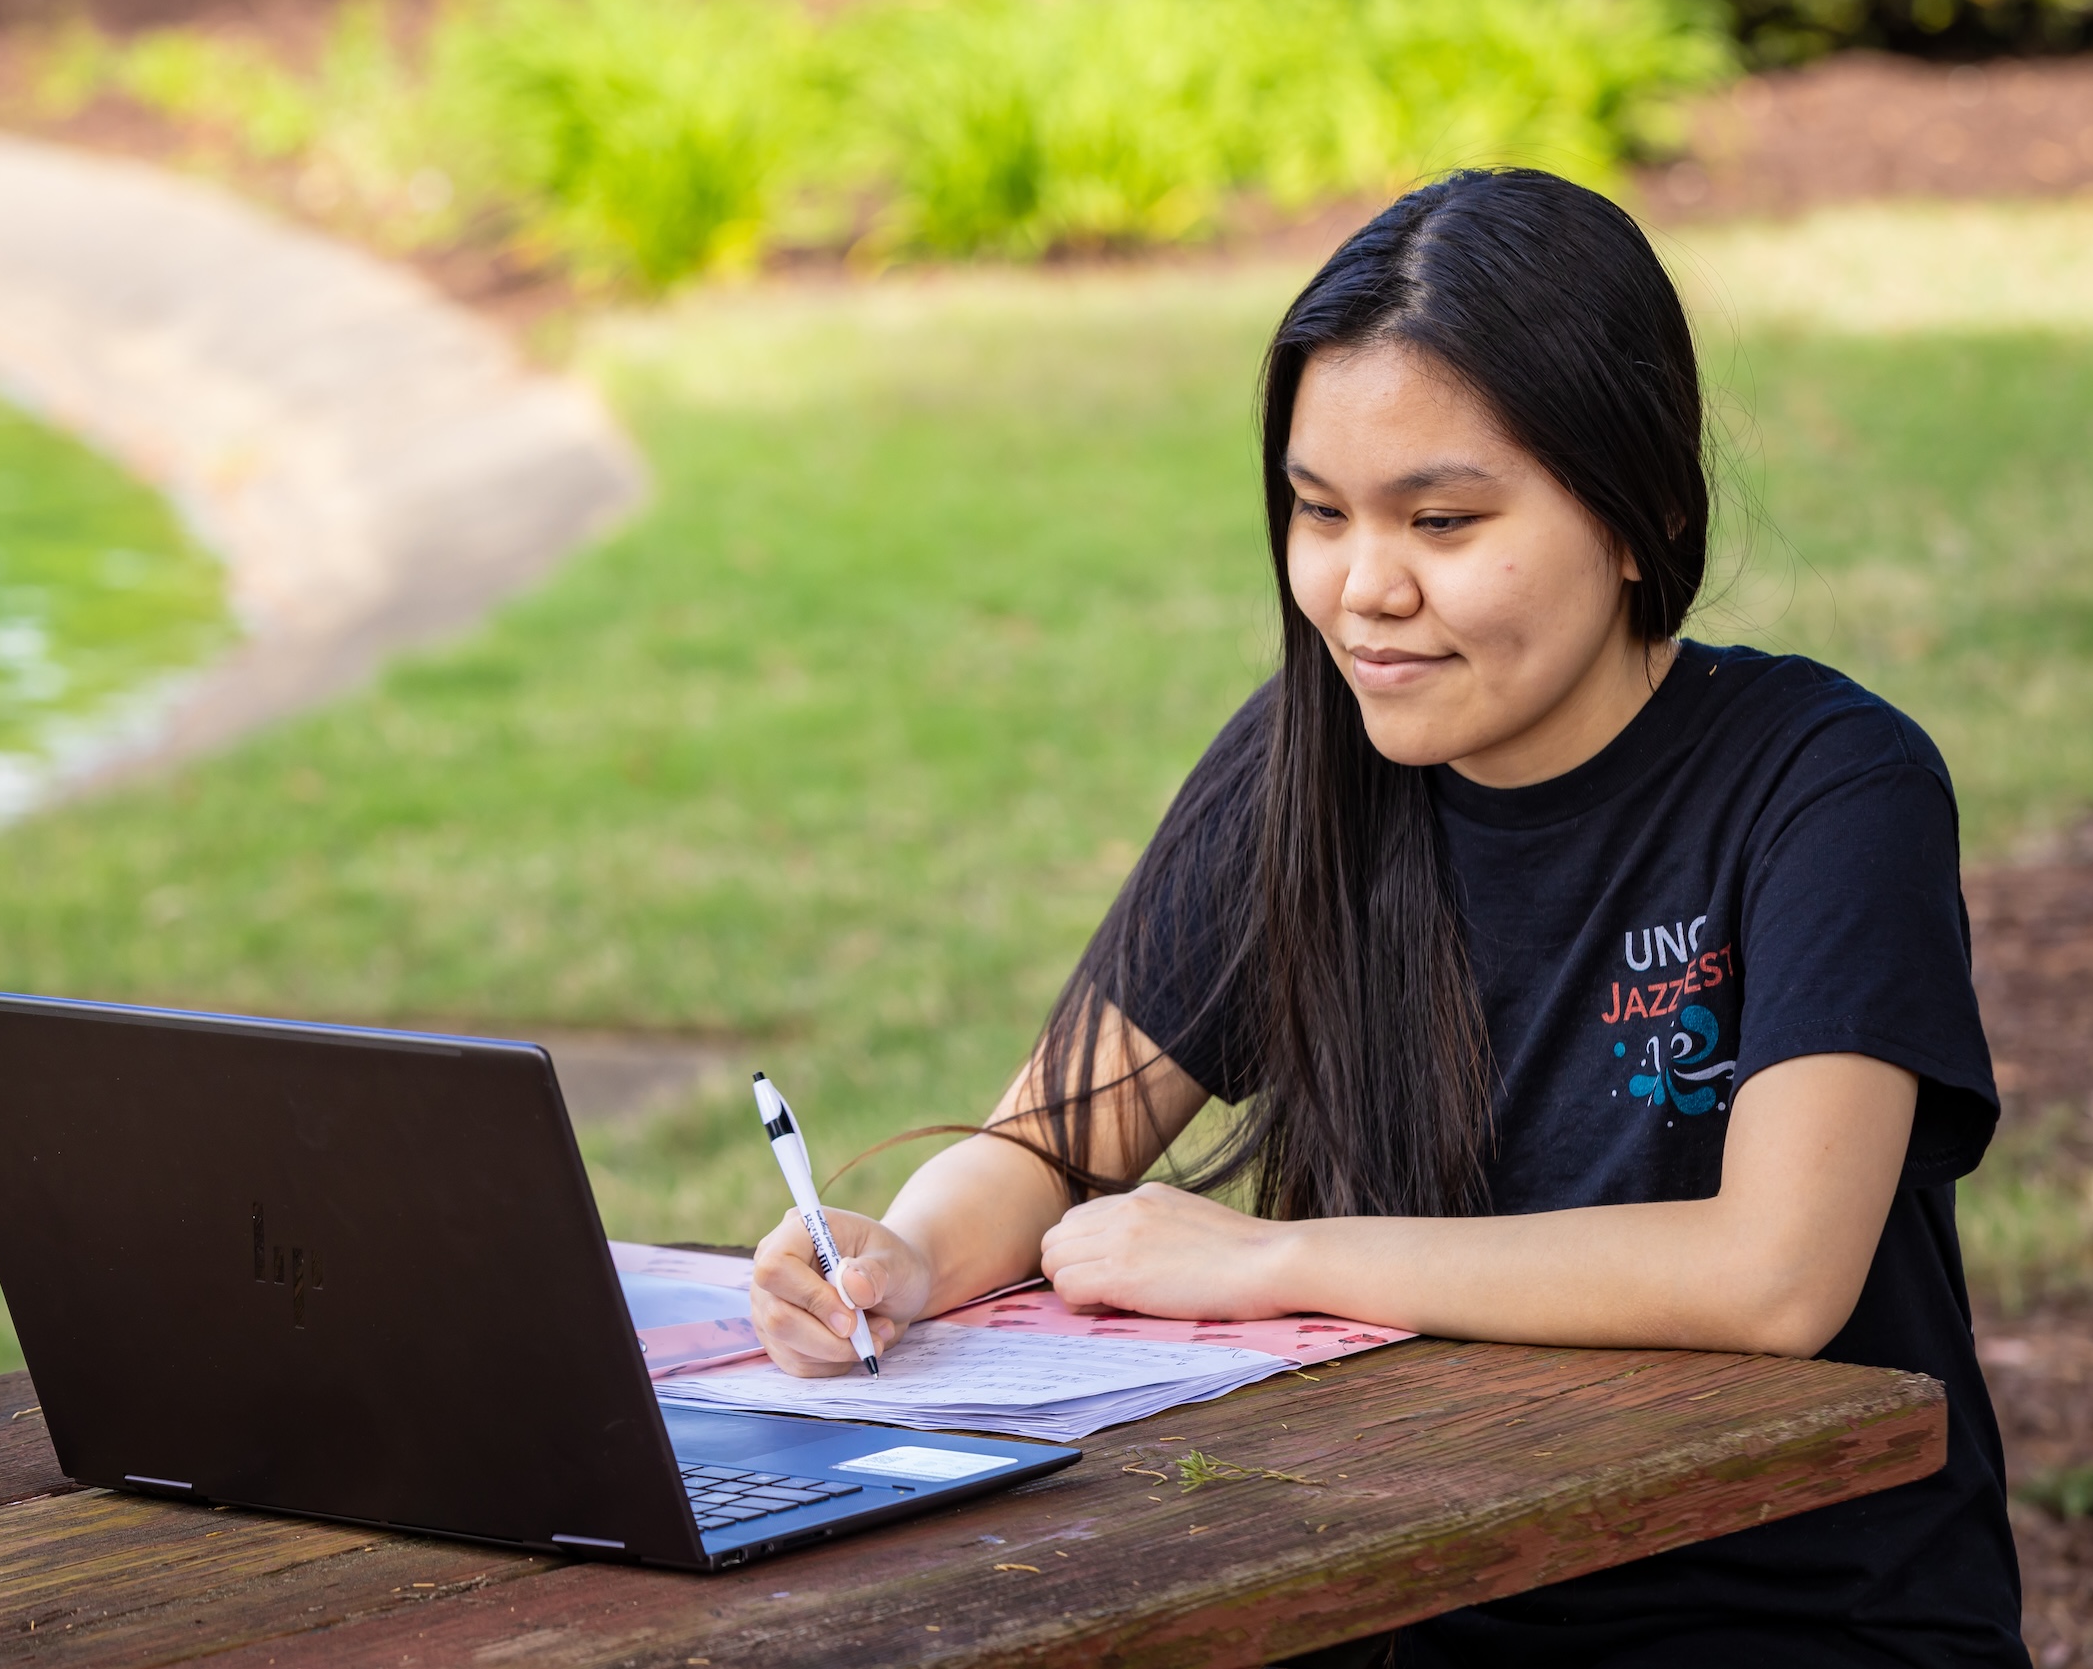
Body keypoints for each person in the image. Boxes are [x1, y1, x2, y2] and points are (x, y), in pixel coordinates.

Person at [745, 168, 2026, 1665]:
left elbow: (1774, 1274)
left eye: (1442, 518)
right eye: (1319, 511)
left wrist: (1275, 1261)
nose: (1363, 590)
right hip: (1397, 1585)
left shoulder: (1826, 783)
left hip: (1780, 1616)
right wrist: (897, 1259)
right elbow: (1047, 1142)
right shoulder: (1303, 764)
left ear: (1642, 515)